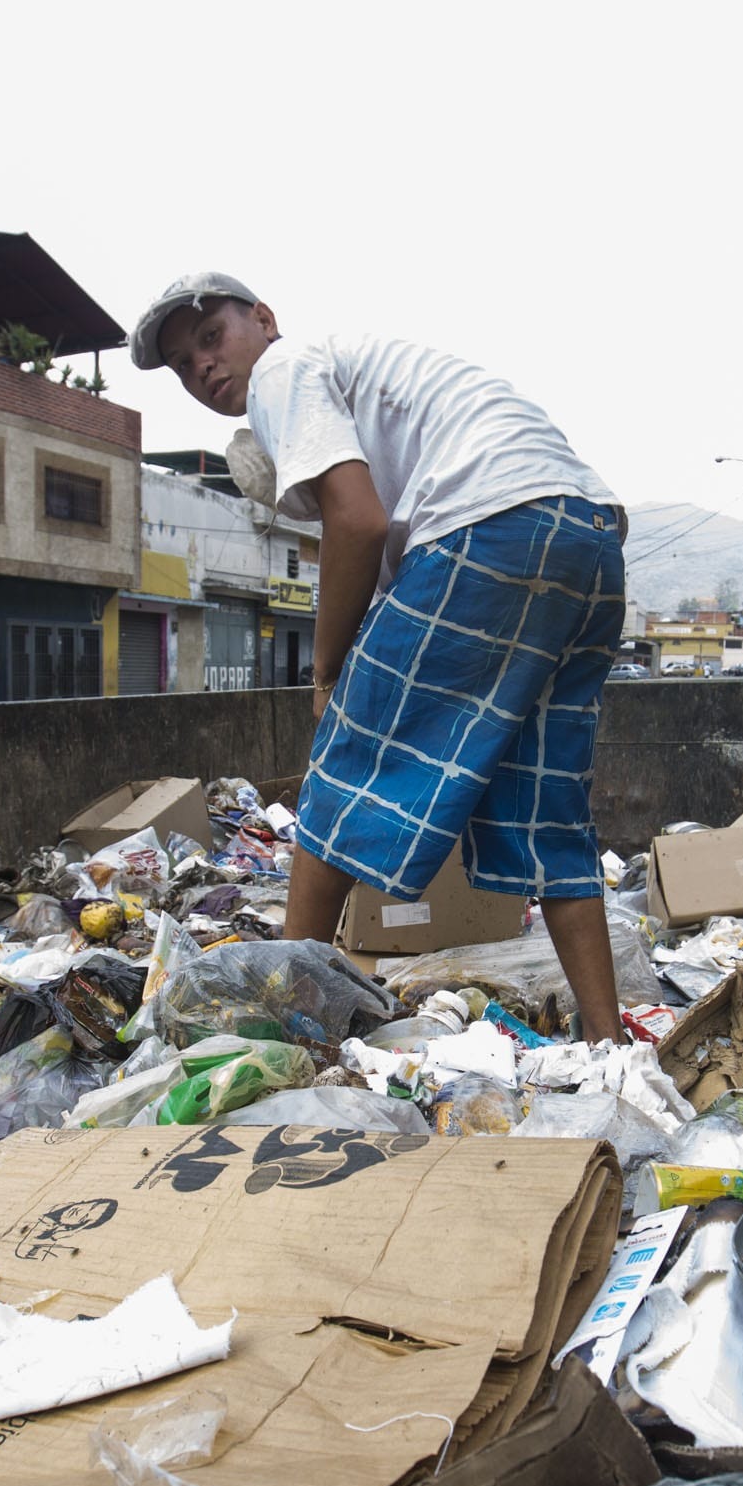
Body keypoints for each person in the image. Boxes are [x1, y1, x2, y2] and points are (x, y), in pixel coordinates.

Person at [132, 272, 628, 1041]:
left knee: (340, 764)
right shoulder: (366, 381)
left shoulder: (283, 371)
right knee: (548, 810)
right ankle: (609, 1045)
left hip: (488, 521)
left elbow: (355, 523)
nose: (202, 365)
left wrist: (328, 670)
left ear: (264, 320)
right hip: (587, 534)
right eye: (182, 363)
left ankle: (293, 1028)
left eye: (210, 337)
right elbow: (384, 542)